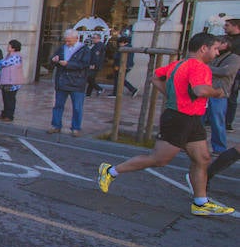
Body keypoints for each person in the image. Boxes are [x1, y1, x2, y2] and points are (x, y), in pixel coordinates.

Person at [97, 32, 234, 216]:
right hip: (179, 119)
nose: (217, 53)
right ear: (204, 48)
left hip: (191, 118)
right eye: (216, 49)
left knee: (202, 159)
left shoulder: (178, 64)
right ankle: (111, 171)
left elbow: (155, 77)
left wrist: (172, 95)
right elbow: (200, 90)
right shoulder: (199, 67)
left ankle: (200, 203)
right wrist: (218, 92)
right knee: (159, 159)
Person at [47, 29, 91, 137]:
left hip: (77, 82)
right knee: (58, 105)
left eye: (69, 41)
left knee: (77, 107)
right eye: (66, 41)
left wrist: (68, 64)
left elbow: (84, 64)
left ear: (77, 39)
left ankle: (75, 128)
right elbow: (52, 61)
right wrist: (54, 60)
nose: (67, 43)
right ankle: (56, 125)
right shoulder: (62, 48)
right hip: (62, 81)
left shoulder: (84, 50)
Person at [207, 36, 239, 156]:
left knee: (217, 121)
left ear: (225, 44)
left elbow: (226, 71)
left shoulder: (234, 58)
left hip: (220, 93)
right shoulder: (215, 57)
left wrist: (207, 68)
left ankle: (219, 148)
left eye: (217, 44)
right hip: (206, 90)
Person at [0, 39, 24, 122]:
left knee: (10, 99)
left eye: (9, 46)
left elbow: (4, 63)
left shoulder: (16, 56)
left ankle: (9, 115)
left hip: (12, 82)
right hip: (6, 81)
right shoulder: (9, 55)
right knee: (5, 98)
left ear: (13, 48)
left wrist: (0, 62)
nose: (7, 47)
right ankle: (4, 114)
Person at [224, 17, 240, 132]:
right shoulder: (224, 38)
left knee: (232, 97)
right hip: (222, 69)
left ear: (235, 26)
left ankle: (228, 122)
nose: (224, 27)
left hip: (236, 72)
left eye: (227, 25)